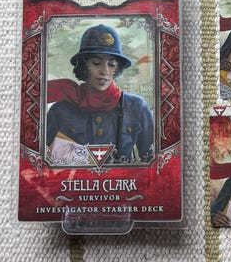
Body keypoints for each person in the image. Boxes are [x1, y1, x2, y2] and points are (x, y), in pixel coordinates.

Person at [46, 24, 154, 164]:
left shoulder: (137, 107)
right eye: (96, 63)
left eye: (112, 64)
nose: (105, 71)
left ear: (117, 68)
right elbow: (46, 163)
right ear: (84, 65)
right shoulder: (59, 111)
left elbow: (152, 161)